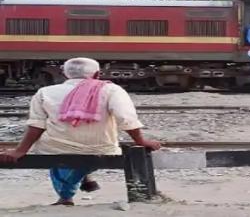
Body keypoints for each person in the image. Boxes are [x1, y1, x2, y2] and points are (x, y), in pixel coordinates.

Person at [0, 57, 160, 206]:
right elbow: (126, 119)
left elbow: (36, 125)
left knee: (53, 145)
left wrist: (20, 151)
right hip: (101, 149)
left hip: (55, 150)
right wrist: (141, 141)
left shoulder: (45, 92)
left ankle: (66, 197)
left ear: (64, 73)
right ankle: (82, 177)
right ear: (97, 74)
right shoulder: (112, 90)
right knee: (84, 154)